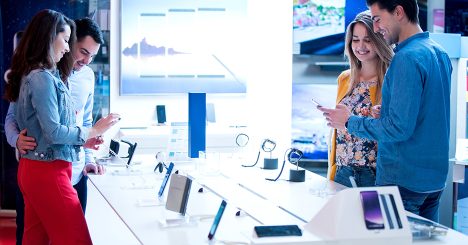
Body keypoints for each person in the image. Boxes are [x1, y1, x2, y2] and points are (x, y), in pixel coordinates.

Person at [319, 0, 452, 222]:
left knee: (379, 239)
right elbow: (428, 116)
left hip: (401, 184)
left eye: (378, 19)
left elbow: (397, 129)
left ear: (398, 12)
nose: (377, 27)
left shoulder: (405, 58)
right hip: (433, 183)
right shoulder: (439, 53)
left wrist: (349, 121)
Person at [3, 9, 119, 244]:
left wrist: (86, 148)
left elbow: (74, 123)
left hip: (51, 167)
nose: (68, 49)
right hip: (48, 169)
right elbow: (52, 131)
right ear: (50, 38)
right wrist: (95, 131)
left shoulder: (45, 75)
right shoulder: (43, 77)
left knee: (35, 239)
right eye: (67, 42)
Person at [325, 10, 393, 188]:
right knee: (340, 217)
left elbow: (396, 127)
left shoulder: (391, 79)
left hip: (372, 174)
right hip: (342, 170)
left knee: (371, 217)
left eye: (368, 39)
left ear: (379, 40)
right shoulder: (345, 78)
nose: (360, 46)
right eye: (355, 39)